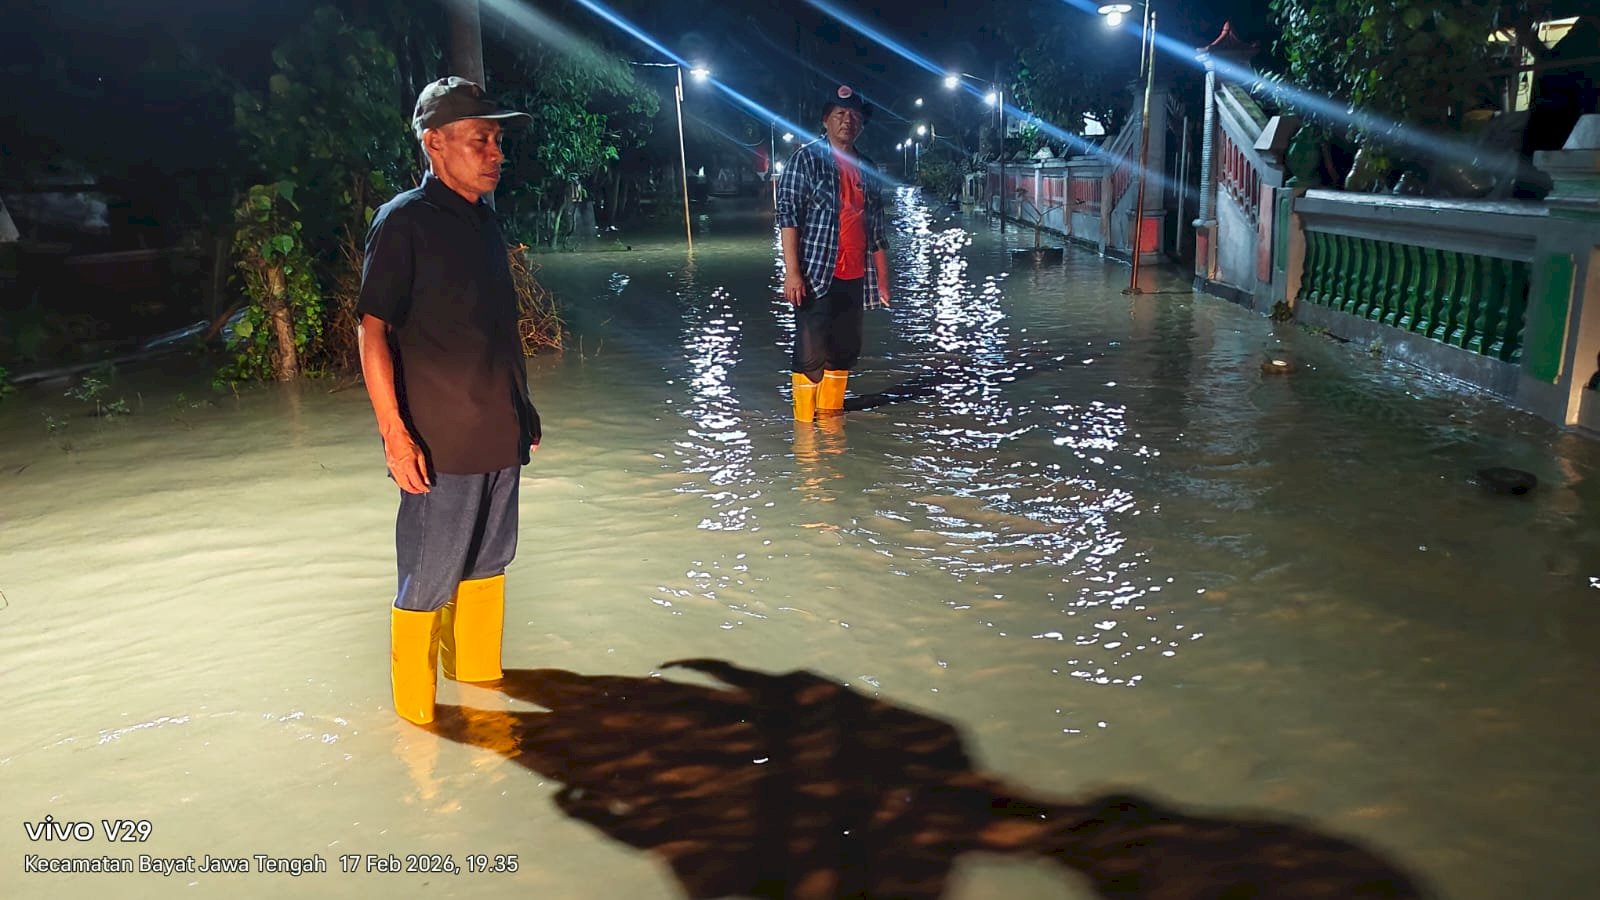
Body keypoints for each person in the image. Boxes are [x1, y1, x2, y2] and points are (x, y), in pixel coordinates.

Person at [357, 76, 541, 726]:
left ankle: (483, 700)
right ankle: (418, 728)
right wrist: (394, 433)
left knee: (490, 566)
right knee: (429, 580)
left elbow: (495, 324)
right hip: (438, 442)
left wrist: (524, 409)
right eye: (477, 139)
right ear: (434, 144)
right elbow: (372, 330)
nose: (494, 152)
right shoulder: (404, 221)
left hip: (497, 431)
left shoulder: (484, 222)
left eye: (496, 139)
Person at [776, 84, 892, 423]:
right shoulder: (806, 159)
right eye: (840, 114)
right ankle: (804, 434)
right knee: (811, 354)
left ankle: (830, 424)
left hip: (856, 276)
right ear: (826, 120)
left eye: (854, 116)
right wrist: (792, 272)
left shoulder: (868, 169)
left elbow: (877, 232)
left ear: (861, 125)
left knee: (844, 352)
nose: (848, 121)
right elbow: (788, 216)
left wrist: (883, 282)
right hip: (816, 273)